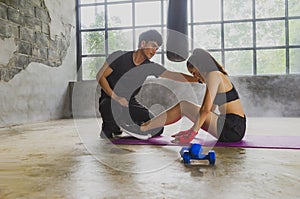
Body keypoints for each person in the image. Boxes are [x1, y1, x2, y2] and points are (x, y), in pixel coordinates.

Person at [96, 29, 199, 139]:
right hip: (111, 99)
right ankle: (111, 126)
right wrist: (116, 97)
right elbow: (100, 76)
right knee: (110, 119)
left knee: (158, 128)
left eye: (157, 48)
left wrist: (198, 78)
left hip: (130, 103)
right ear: (143, 43)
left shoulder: (149, 66)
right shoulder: (119, 56)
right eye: (153, 45)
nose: (155, 51)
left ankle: (133, 127)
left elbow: (173, 75)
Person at [138, 48, 246, 143]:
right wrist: (192, 130)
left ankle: (143, 128)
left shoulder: (213, 75)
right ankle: (147, 126)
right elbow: (211, 111)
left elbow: (205, 110)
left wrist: (192, 133)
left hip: (232, 126)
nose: (196, 77)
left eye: (194, 73)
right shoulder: (217, 75)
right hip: (235, 127)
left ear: (200, 66)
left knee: (183, 106)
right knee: (186, 107)